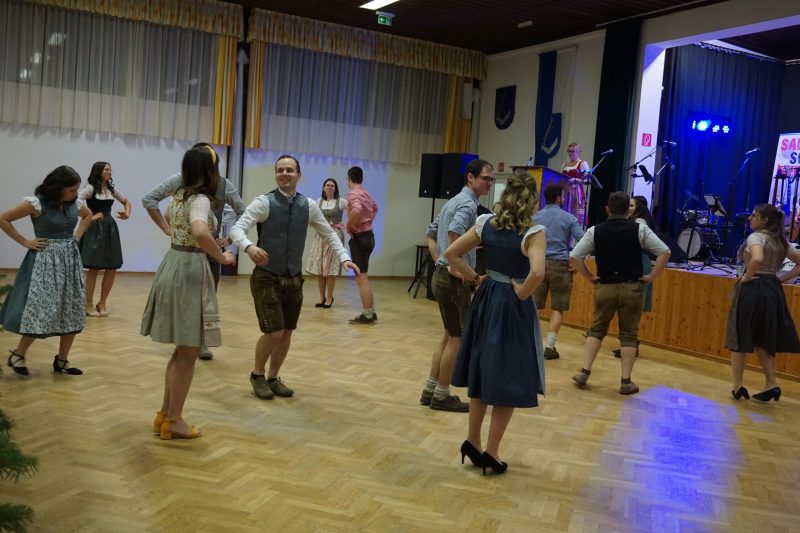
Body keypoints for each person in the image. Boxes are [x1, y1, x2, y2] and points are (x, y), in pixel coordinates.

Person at [230, 155, 359, 400]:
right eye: (280, 170)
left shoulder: (308, 206)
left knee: (287, 332)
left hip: (294, 279)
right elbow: (237, 228)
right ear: (276, 175)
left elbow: (329, 234)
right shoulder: (264, 202)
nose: (284, 174)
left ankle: (273, 377)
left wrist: (344, 257)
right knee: (274, 332)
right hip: (267, 277)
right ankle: (257, 375)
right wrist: (249, 247)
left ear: (298, 175)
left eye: (289, 170)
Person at [446, 169, 547, 475]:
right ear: (532, 199)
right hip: (512, 305)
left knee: (482, 368)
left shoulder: (486, 223)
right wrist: (522, 292)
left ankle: (472, 440)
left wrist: (476, 278)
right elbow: (537, 273)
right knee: (508, 375)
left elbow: (452, 253)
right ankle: (491, 450)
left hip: (487, 297)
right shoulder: (533, 232)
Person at [141, 146, 236, 440]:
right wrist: (222, 257)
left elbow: (168, 217)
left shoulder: (179, 196)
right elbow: (200, 231)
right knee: (188, 352)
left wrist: (168, 230)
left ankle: (165, 415)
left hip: (174, 262)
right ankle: (175, 420)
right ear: (211, 171)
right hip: (190, 270)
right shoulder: (200, 200)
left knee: (181, 350)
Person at [142, 142, 246, 360]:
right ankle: (187, 340)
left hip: (191, 252)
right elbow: (198, 230)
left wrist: (228, 238)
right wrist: (166, 228)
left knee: (205, 297)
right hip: (192, 253)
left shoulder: (219, 186)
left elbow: (242, 211)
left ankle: (195, 341)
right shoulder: (194, 195)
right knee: (190, 298)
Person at [569, 191, 670, 395]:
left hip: (605, 286)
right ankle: (626, 381)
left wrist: (589, 276)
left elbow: (574, 256)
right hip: (632, 288)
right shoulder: (640, 229)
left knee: (596, 330)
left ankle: (584, 371)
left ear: (607, 209)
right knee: (628, 335)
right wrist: (651, 276)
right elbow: (665, 252)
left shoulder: (595, 231)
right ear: (627, 211)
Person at [1, 166, 92, 377]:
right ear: (59, 187)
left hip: (69, 261)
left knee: (71, 308)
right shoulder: (35, 203)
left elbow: (88, 216)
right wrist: (25, 241)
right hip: (44, 262)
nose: (76, 194)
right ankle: (18, 354)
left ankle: (62, 361)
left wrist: (76, 237)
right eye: (72, 190)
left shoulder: (75, 204)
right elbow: (3, 218)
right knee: (41, 308)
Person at [421, 159, 494, 412]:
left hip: (443, 275)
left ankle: (431, 389)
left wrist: (441, 261)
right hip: (453, 280)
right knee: (457, 338)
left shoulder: (452, 201)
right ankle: (442, 395)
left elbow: (431, 234)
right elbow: (454, 234)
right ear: (470, 178)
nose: (489, 183)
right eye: (485, 178)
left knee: (449, 334)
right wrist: (460, 268)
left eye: (491, 179)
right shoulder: (467, 204)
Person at [726, 203, 800, 402]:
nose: (750, 218)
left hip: (753, 289)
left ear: (764, 220)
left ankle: (738, 386)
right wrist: (780, 279)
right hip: (772, 289)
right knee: (764, 337)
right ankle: (771, 383)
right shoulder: (780, 241)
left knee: (739, 336)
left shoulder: (756, 237)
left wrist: (747, 277)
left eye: (754, 215)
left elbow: (757, 258)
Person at [532, 183, 585, 360]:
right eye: (563, 196)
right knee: (558, 308)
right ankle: (550, 346)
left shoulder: (535, 217)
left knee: (534, 307)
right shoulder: (569, 218)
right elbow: (583, 240)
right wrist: (576, 261)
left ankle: (530, 342)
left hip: (539, 263)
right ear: (558, 198)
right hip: (561, 265)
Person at [79, 162, 132, 317]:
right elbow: (74, 203)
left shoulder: (111, 189)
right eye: (107, 169)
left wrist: (127, 214)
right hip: (94, 229)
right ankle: (88, 304)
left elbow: (127, 202)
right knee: (94, 268)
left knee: (112, 267)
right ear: (99, 171)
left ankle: (102, 302)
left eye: (110, 169)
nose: (110, 172)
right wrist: (90, 217)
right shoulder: (90, 188)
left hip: (110, 228)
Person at [612, 195, 658, 359]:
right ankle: (629, 343)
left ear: (639, 208)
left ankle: (630, 344)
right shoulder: (634, 222)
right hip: (636, 262)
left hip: (638, 263)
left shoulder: (639, 224)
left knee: (631, 307)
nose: (627, 207)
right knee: (630, 308)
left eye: (631, 205)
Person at [305, 178, 347, 309]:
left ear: (335, 188)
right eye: (327, 185)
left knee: (330, 269)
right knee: (319, 267)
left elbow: (354, 211)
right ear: (324, 187)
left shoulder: (341, 201)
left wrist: (348, 225)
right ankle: (321, 297)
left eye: (332, 185)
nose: (329, 187)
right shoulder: (318, 201)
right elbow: (312, 216)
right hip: (320, 236)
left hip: (334, 235)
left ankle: (329, 297)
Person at [346, 166, 379, 325]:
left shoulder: (353, 194)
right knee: (364, 275)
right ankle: (371, 312)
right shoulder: (366, 193)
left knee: (362, 277)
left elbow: (357, 210)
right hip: (369, 235)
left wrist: (349, 226)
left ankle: (367, 315)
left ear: (349, 179)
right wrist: (366, 222)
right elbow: (375, 208)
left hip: (360, 238)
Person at [561, 142, 591, 227]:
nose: (570, 153)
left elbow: (588, 180)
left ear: (578, 152)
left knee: (575, 217)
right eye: (569, 151)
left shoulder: (582, 163)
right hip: (565, 193)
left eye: (572, 151)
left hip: (576, 194)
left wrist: (576, 180)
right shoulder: (564, 164)